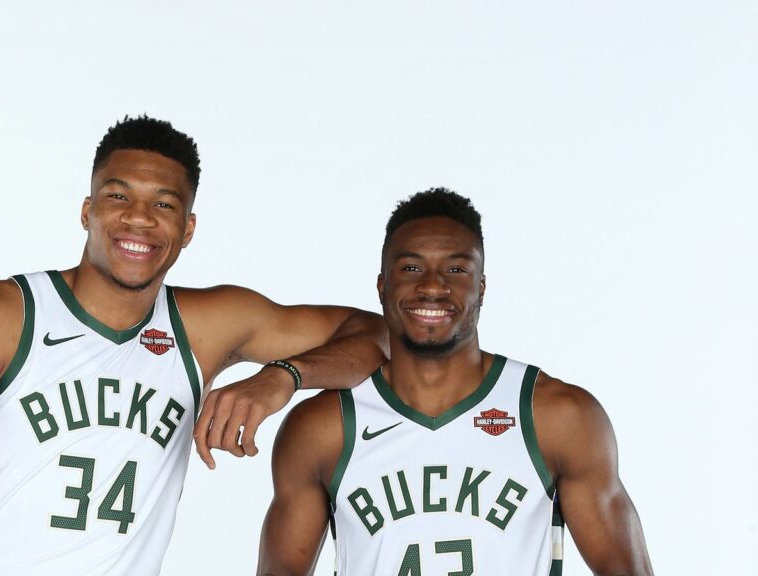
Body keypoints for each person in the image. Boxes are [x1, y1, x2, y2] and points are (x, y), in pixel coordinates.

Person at [0, 116, 387, 576]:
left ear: (187, 229)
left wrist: (283, 376)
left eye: (163, 204)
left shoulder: (204, 326)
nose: (140, 218)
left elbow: (379, 336)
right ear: (87, 211)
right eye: (118, 196)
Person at [257, 188, 653, 576]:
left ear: (481, 287)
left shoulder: (556, 416)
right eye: (411, 268)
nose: (432, 286)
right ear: (382, 286)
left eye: (456, 269)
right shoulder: (324, 428)